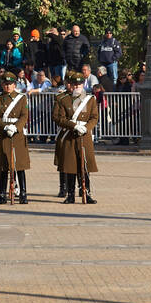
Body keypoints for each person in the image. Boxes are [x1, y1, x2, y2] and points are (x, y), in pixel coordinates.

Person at [53, 70, 98, 204]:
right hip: (69, 135)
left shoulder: (90, 99)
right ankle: (71, 194)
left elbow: (94, 117)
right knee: (70, 166)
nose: (77, 86)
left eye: (79, 84)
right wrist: (73, 126)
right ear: (71, 85)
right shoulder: (62, 99)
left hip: (84, 135)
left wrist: (87, 127)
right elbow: (57, 117)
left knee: (85, 166)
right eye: (75, 84)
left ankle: (86, 193)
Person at [0, 72, 30, 203]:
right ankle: (2, 194)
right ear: (2, 85)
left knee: (20, 165)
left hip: (17, 134)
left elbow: (24, 116)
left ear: (15, 85)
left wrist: (16, 127)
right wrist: (5, 127)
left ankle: (23, 194)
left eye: (10, 84)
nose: (8, 87)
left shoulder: (22, 98)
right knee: (3, 166)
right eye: (5, 84)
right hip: (4, 134)